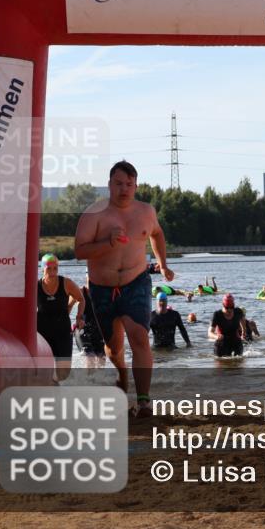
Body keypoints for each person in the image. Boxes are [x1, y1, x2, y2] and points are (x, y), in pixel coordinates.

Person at [75, 160, 174, 417]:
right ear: (109, 185)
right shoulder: (94, 214)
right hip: (102, 288)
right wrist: (107, 243)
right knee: (113, 348)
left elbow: (157, 234)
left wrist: (162, 265)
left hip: (136, 283)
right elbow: (79, 251)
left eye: (129, 184)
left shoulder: (146, 211)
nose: (124, 189)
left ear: (136, 186)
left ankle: (143, 402)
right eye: (119, 183)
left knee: (139, 337)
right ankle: (121, 372)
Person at [36, 254, 86, 382]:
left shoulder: (66, 283)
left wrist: (79, 317)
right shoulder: (35, 287)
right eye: (49, 268)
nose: (52, 272)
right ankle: (48, 391)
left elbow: (81, 298)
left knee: (64, 373)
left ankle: (55, 383)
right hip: (42, 333)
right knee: (43, 370)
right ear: (43, 269)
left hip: (62, 331)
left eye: (55, 268)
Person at [76, 272, 107, 370]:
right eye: (90, 278)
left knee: (102, 362)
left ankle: (98, 383)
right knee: (91, 359)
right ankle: (88, 382)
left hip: (98, 331)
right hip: (83, 330)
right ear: (86, 277)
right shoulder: (80, 291)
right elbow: (67, 306)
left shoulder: (103, 294)